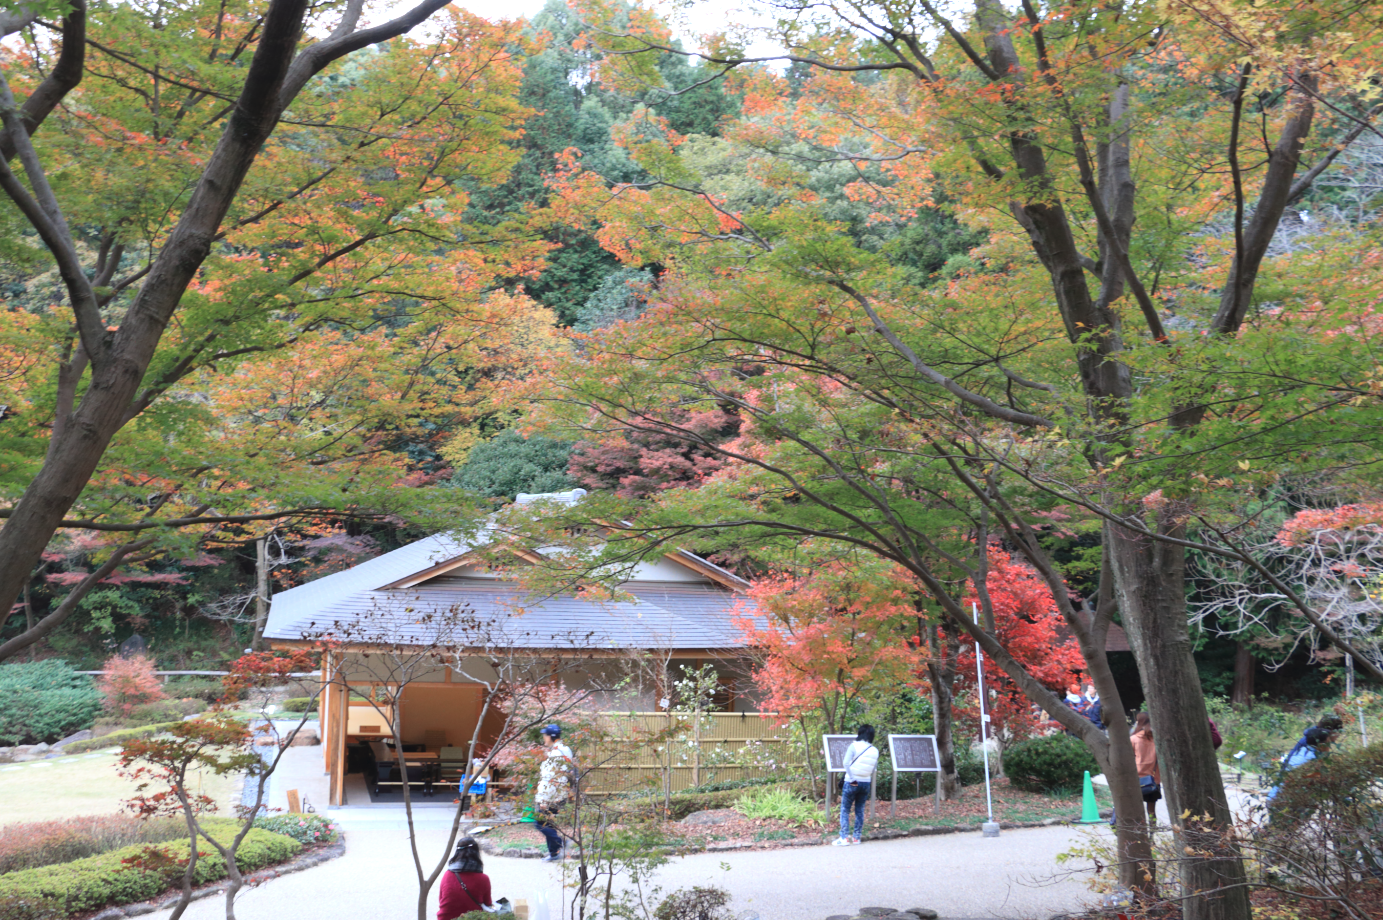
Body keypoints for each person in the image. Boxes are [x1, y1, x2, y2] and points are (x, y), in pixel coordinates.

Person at [1266, 716, 1342, 803]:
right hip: (1282, 801)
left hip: (1277, 798)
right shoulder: (1311, 758)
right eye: (1328, 743)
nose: (1338, 735)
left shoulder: (1308, 746)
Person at [533, 723, 575, 862]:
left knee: (540, 823)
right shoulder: (565, 749)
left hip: (552, 795)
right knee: (548, 823)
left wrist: (544, 800)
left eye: (545, 735)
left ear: (550, 736)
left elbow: (550, 778)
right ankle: (554, 853)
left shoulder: (555, 753)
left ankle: (560, 843)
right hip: (560, 793)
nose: (544, 737)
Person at [834, 725, 879, 846]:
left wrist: (852, 778)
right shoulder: (874, 750)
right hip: (866, 783)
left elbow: (846, 763)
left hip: (851, 782)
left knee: (845, 809)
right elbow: (873, 768)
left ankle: (844, 838)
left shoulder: (854, 746)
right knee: (860, 810)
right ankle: (856, 838)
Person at [437, 837, 493, 920]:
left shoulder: (447, 875)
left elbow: (441, 900)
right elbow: (488, 903)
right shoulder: (483, 879)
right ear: (476, 854)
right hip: (472, 918)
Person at [1130, 712, 1160, 826]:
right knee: (1151, 812)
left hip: (1136, 780)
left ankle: (1139, 838)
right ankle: (1152, 836)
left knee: (1136, 811)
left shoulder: (1133, 739)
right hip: (1153, 780)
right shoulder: (1157, 739)